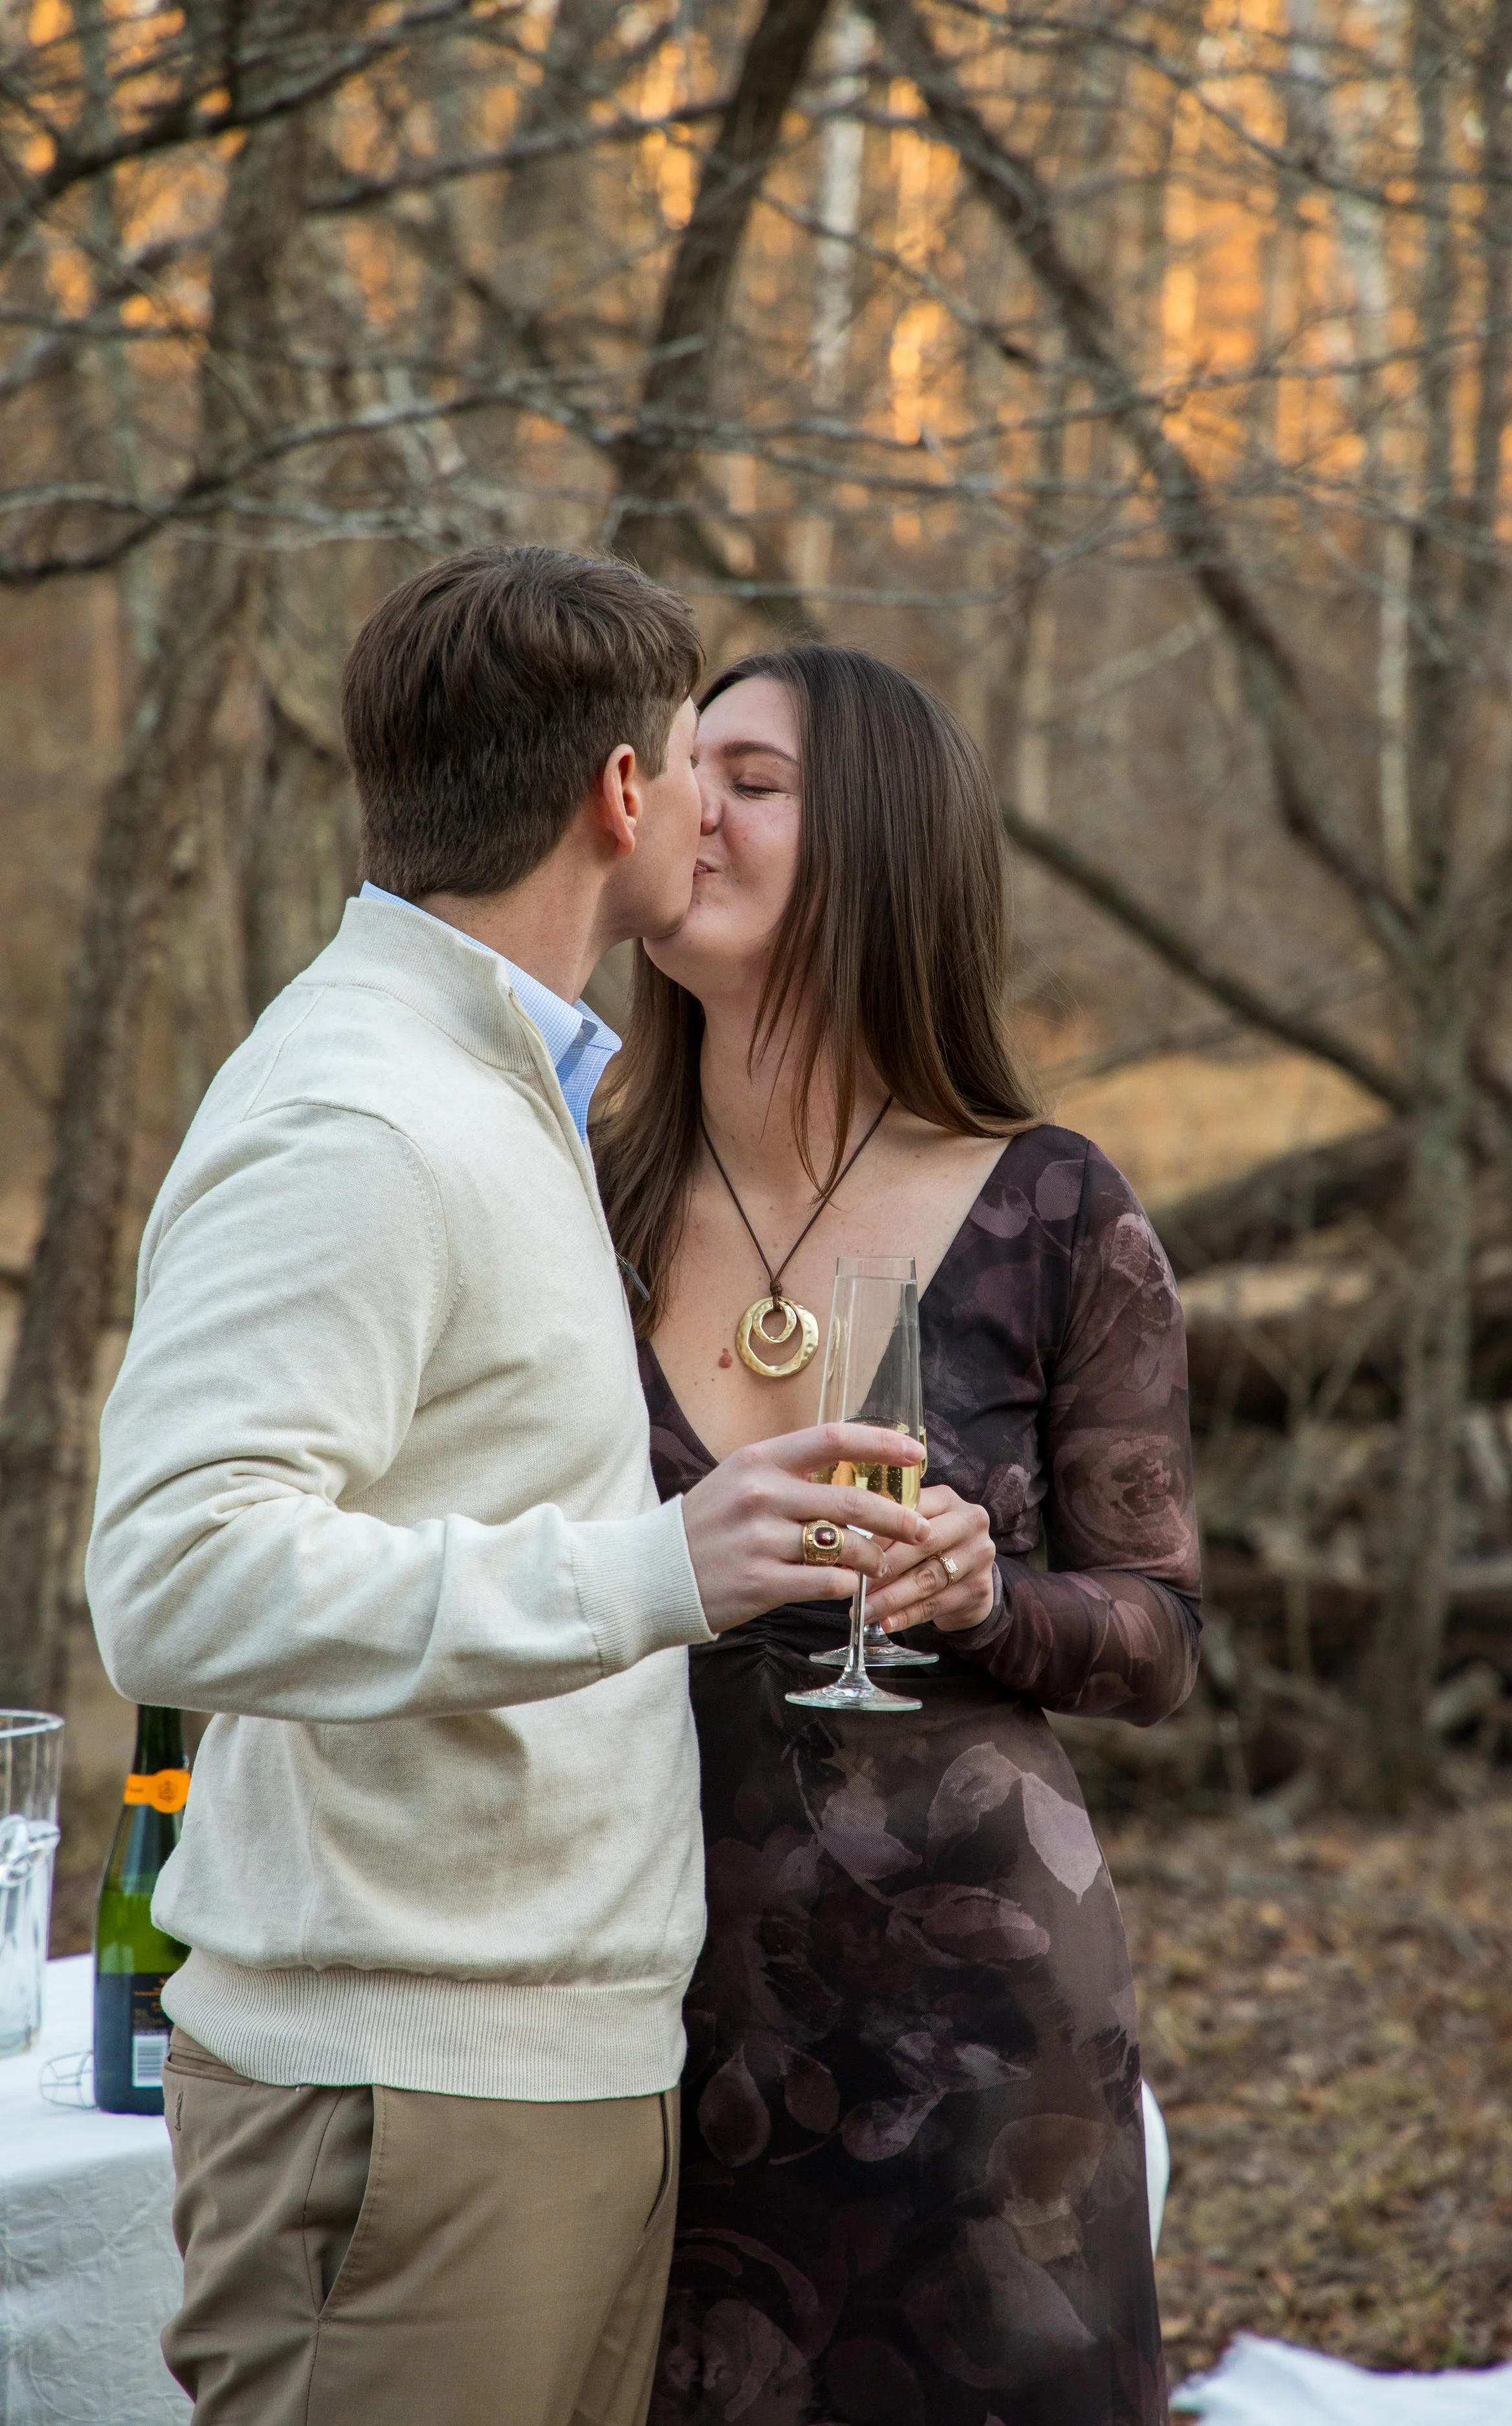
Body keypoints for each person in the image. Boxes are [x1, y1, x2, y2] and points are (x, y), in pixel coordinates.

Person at [86, 551, 925, 2426]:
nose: (720, 809)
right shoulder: (361, 1112)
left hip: (543, 2068)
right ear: (623, 796)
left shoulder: (506, 1081)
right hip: (405, 2094)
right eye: (698, 763)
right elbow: (173, 1574)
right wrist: (653, 1567)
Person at [593, 642, 1201, 2426]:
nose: (689, 803)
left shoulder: (1057, 1205)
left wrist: (989, 1596)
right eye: (683, 765)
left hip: (978, 2029)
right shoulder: (565, 1190)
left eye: (753, 779)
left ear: (880, 846)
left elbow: (1160, 1633)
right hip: (630, 2006)